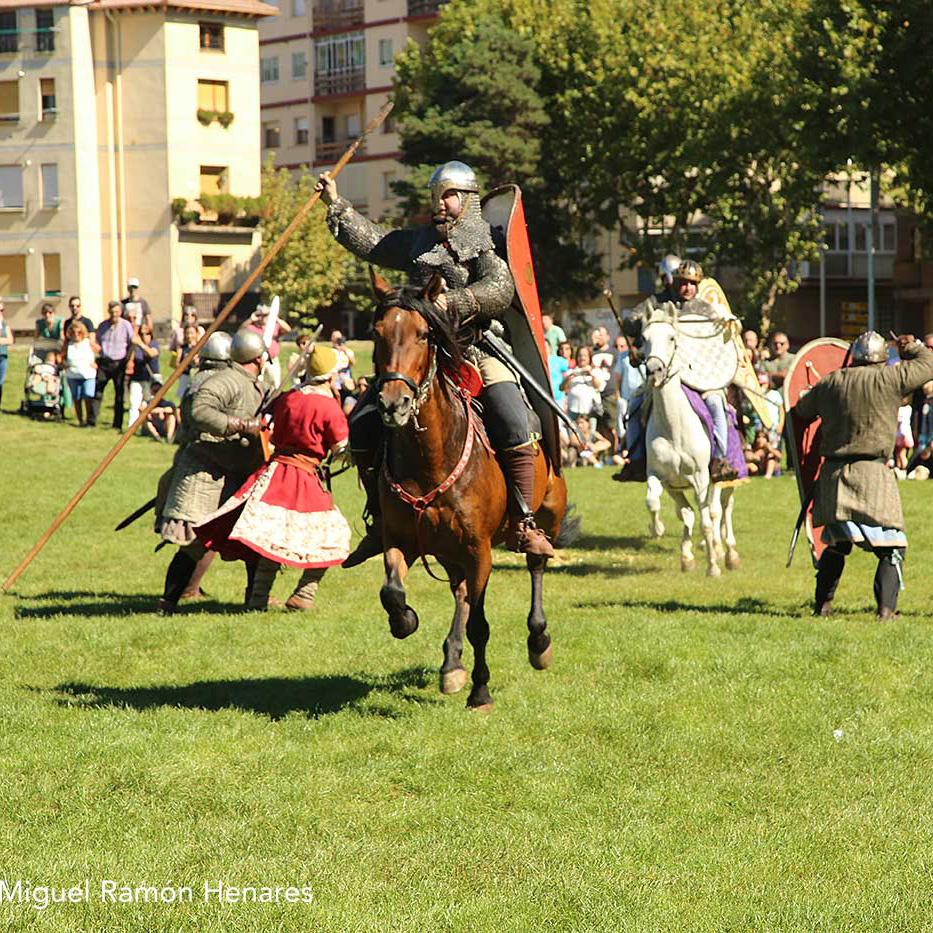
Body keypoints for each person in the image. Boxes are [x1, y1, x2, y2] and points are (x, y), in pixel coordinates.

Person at [317, 158, 553, 561]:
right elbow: (375, 241)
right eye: (436, 195)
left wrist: (454, 301)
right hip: (421, 353)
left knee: (513, 419)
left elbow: (500, 288)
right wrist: (337, 205)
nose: (440, 203)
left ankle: (523, 522)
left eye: (448, 195)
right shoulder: (419, 241)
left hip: (477, 347)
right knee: (363, 423)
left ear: (467, 199)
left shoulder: (482, 242)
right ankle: (382, 520)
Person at [195, 345, 352, 611]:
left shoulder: (288, 398)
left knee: (271, 538)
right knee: (334, 535)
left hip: (274, 473)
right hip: (302, 475)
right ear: (330, 375)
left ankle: (258, 598)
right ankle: (305, 593)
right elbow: (340, 449)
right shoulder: (329, 407)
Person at [793, 331, 933, 620]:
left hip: (835, 476)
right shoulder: (891, 378)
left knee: (836, 542)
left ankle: (823, 605)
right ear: (882, 358)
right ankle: (885, 611)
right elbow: (929, 364)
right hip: (872, 476)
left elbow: (802, 410)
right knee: (891, 546)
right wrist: (909, 347)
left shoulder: (832, 381)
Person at [156, 330, 266, 614]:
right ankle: (168, 602)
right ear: (257, 357)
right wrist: (240, 425)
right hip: (207, 471)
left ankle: (254, 602)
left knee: (251, 539)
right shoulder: (227, 380)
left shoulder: (245, 381)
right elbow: (201, 412)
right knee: (194, 544)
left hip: (237, 471)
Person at [615, 260, 739, 483]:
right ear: (674, 282)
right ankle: (636, 462)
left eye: (693, 283)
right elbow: (639, 331)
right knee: (634, 407)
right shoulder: (658, 305)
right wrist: (635, 336)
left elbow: (717, 343)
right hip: (666, 378)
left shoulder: (707, 310)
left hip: (702, 377)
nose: (688, 288)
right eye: (683, 283)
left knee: (716, 405)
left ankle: (720, 460)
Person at [92, 300, 135, 429]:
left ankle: (117, 424)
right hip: (104, 362)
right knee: (97, 392)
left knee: (119, 395)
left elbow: (132, 343)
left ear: (120, 312)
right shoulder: (102, 326)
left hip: (120, 363)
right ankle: (91, 421)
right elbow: (98, 342)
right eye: (112, 312)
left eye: (116, 312)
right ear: (108, 312)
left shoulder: (126, 325)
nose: (114, 314)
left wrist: (129, 361)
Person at [561, 345, 605, 432]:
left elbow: (599, 386)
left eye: (585, 355)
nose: (582, 358)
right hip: (573, 411)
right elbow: (561, 388)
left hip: (589, 412)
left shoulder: (595, 371)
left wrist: (591, 375)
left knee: (590, 437)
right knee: (573, 436)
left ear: (589, 357)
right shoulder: (571, 372)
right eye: (580, 355)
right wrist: (570, 377)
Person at [246, 305, 291, 389]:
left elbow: (287, 329)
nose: (262, 318)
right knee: (257, 383)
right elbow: (241, 330)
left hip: (272, 360)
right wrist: (251, 319)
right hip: (258, 360)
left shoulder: (275, 326)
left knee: (275, 384)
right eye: (260, 315)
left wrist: (275, 318)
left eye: (265, 315)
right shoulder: (252, 328)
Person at [63, 320, 98, 426]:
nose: (76, 334)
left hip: (88, 374)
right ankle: (80, 420)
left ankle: (89, 419)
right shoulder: (69, 344)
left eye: (78, 332)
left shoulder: (88, 342)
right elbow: (60, 357)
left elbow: (100, 351)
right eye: (73, 332)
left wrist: (96, 364)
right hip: (73, 374)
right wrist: (64, 364)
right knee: (77, 398)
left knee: (88, 396)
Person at [127, 324, 160, 426]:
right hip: (137, 378)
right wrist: (133, 346)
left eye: (147, 334)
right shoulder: (136, 347)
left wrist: (141, 344)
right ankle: (132, 426)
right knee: (134, 403)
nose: (144, 336)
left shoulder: (154, 345)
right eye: (141, 334)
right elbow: (129, 358)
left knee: (150, 403)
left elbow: (152, 353)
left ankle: (151, 426)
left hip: (151, 378)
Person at [173, 323, 201, 400]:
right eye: (187, 333)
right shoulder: (182, 348)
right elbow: (177, 364)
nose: (189, 336)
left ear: (196, 333)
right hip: (185, 377)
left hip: (197, 377)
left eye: (191, 333)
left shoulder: (201, 347)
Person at [0, 298, 13, 409]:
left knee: (1, 382)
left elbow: (10, 340)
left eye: (2, 310)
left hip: (2, 356)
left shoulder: (5, 325)